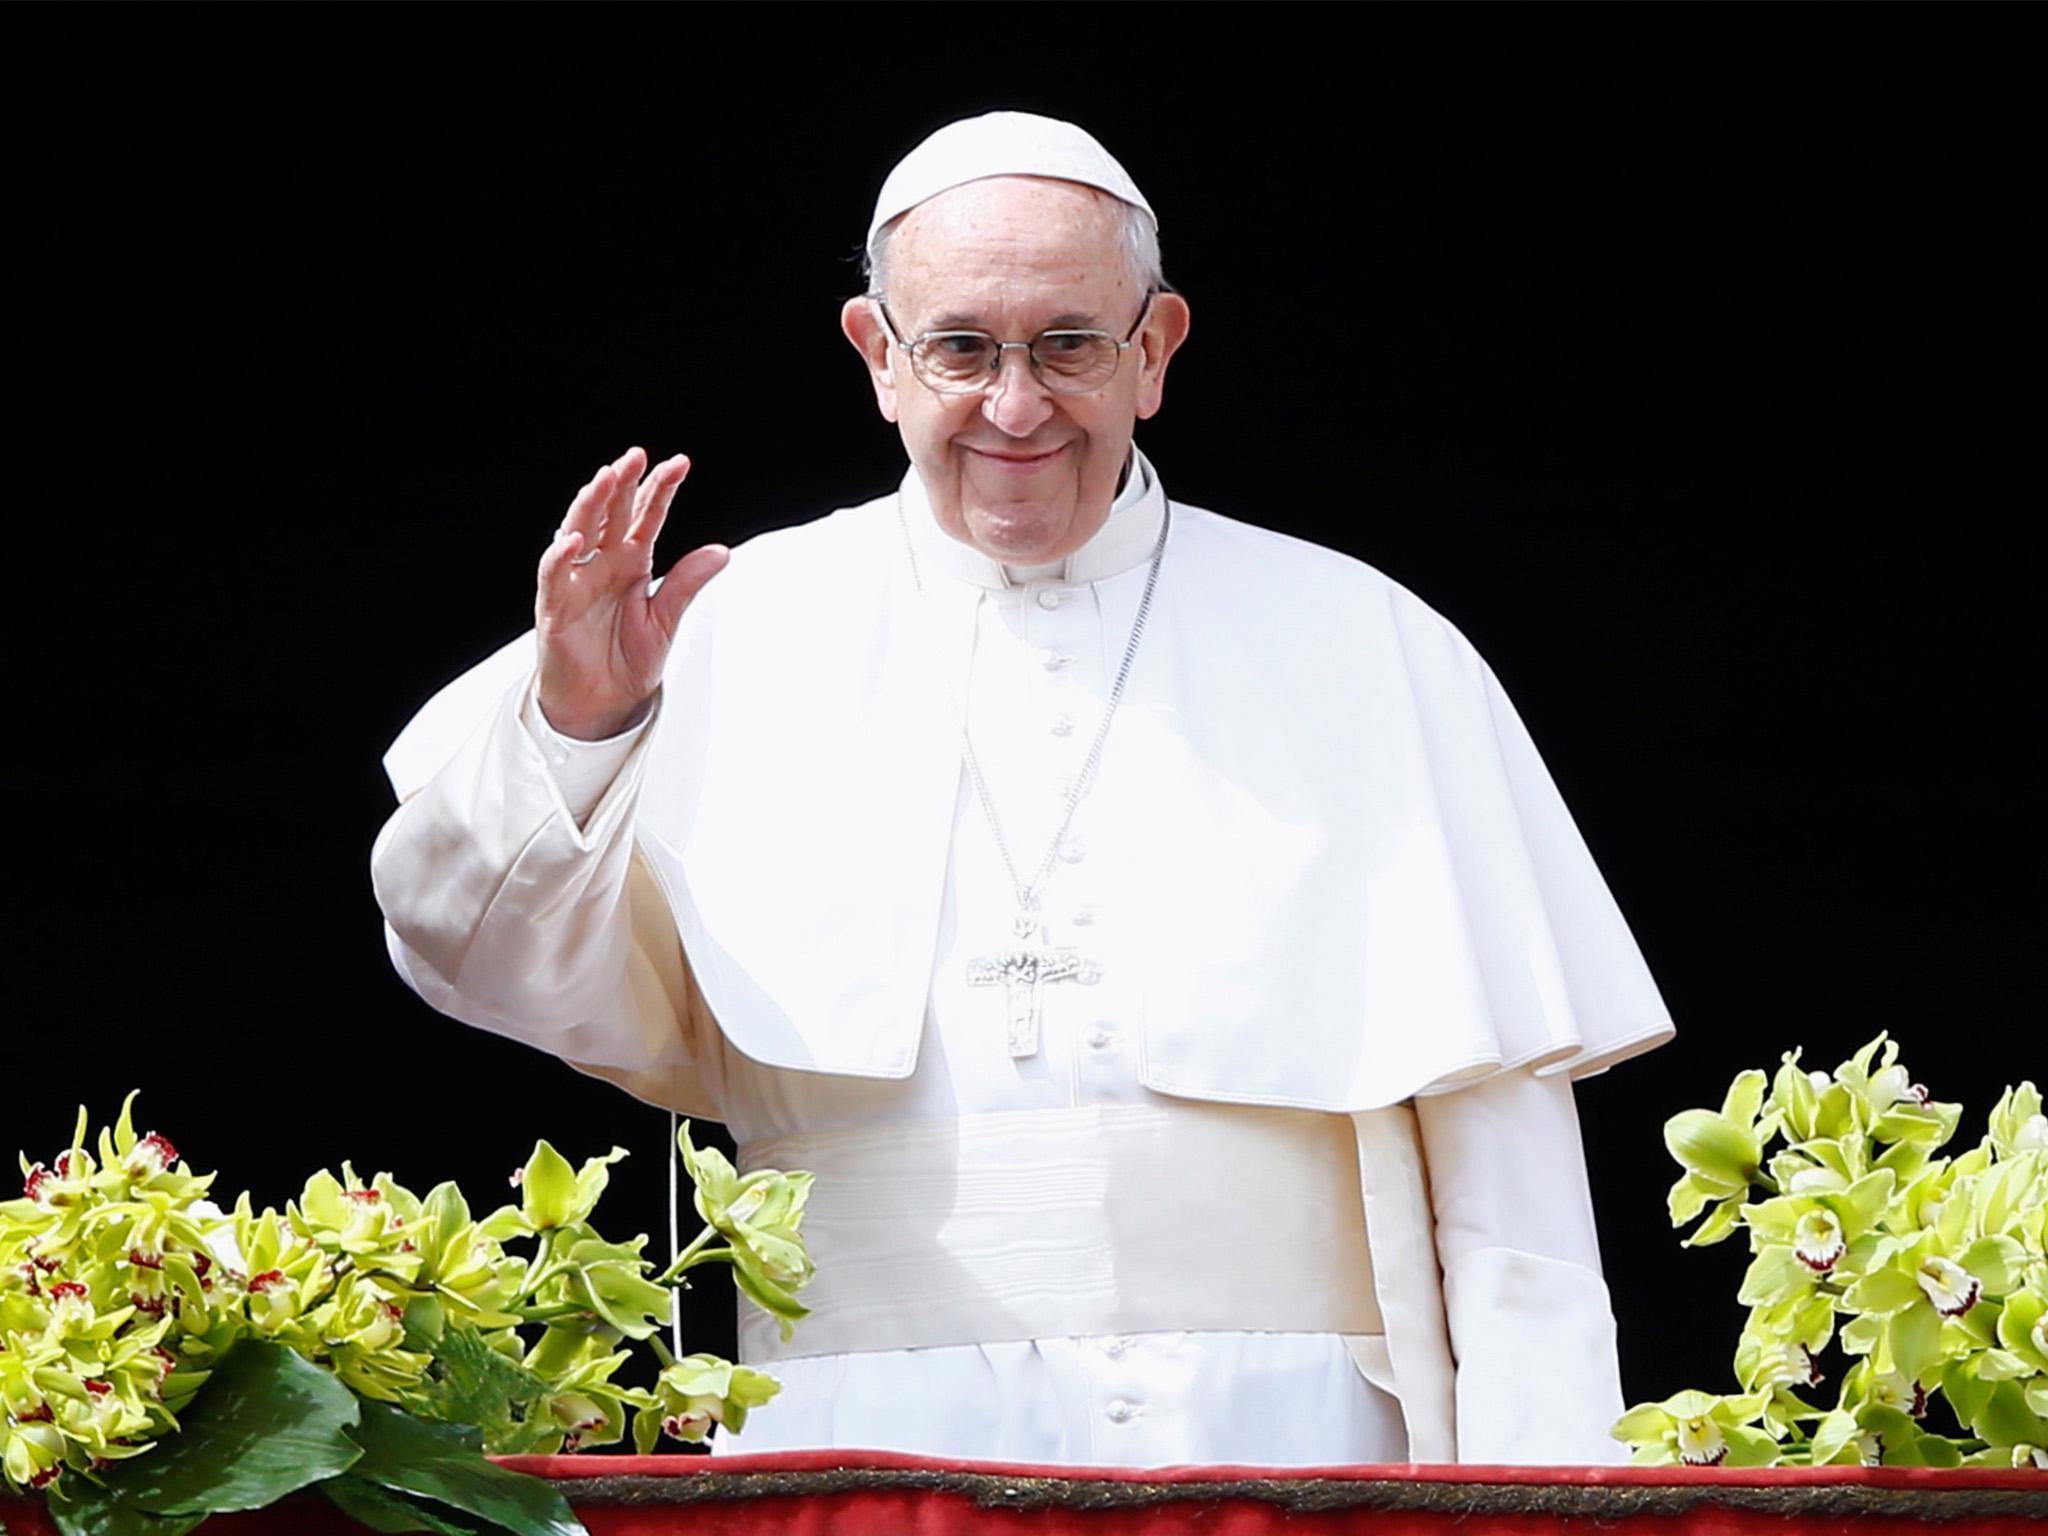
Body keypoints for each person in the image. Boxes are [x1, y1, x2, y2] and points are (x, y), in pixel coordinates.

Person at [372, 112, 1675, 1468]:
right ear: (879, 357)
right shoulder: (728, 627)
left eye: (1069, 344)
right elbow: (475, 954)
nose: (1015, 404)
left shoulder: (1364, 641)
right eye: (959, 348)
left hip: (1292, 1448)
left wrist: (1549, 1489)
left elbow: (1513, 1196)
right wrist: (584, 725)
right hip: (862, 1448)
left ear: (1155, 351)